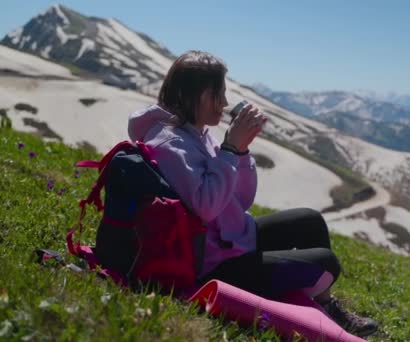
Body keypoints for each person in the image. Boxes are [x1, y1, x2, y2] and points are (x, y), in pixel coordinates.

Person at [127, 50, 378, 337]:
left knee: (309, 221)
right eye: (216, 93)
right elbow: (205, 207)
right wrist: (231, 149)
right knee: (326, 263)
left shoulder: (195, 133)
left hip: (231, 240)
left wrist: (241, 152)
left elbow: (241, 200)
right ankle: (317, 311)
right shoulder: (169, 142)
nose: (223, 102)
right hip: (212, 264)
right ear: (192, 93)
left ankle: (325, 306)